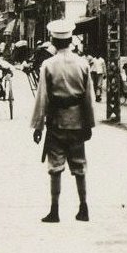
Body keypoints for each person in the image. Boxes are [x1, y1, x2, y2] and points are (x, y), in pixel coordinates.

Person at [31, 19, 96, 223]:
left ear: (53, 40)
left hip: (56, 122)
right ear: (70, 40)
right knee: (79, 167)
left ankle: (54, 210)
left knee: (55, 167)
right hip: (77, 122)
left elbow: (42, 97)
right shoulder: (82, 63)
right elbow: (89, 97)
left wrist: (38, 126)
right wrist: (89, 124)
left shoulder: (48, 65)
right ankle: (83, 208)